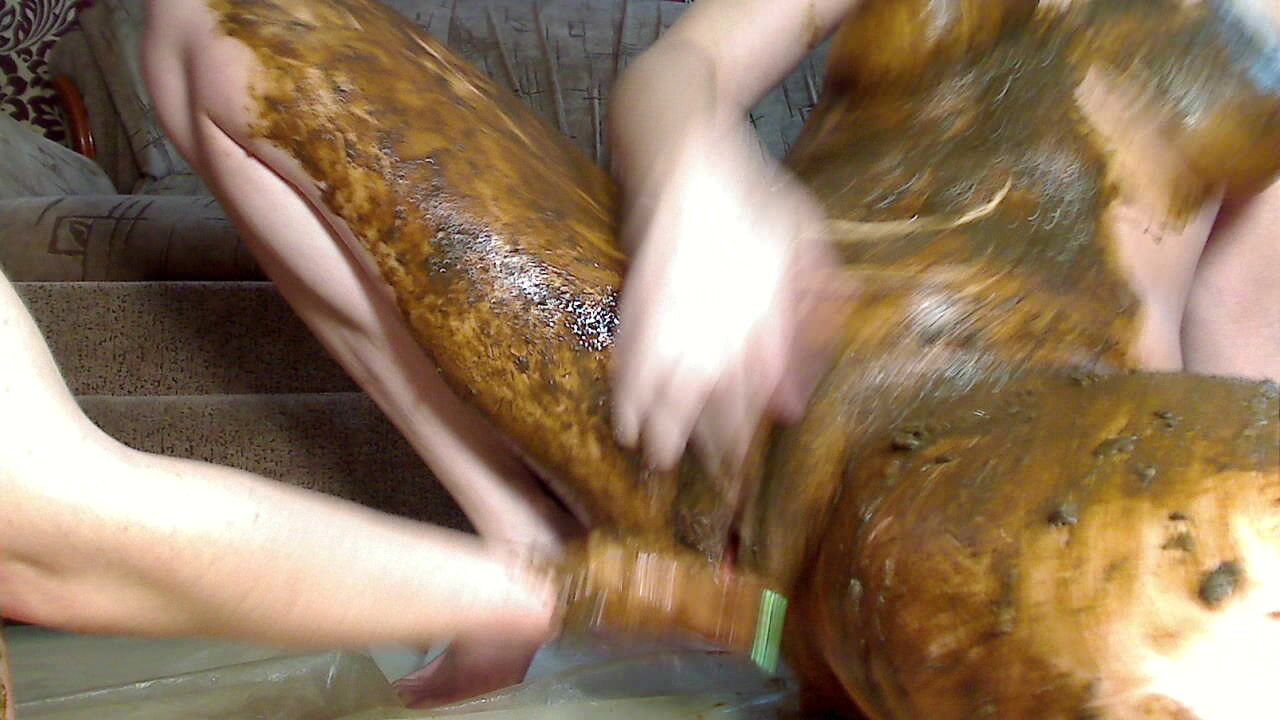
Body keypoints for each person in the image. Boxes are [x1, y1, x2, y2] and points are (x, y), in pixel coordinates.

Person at [2, 0, 1277, 710]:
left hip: (974, 460)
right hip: (706, 384)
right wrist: (697, 175)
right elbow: (679, 70)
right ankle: (524, 534)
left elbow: (1238, 361)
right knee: (214, 23)